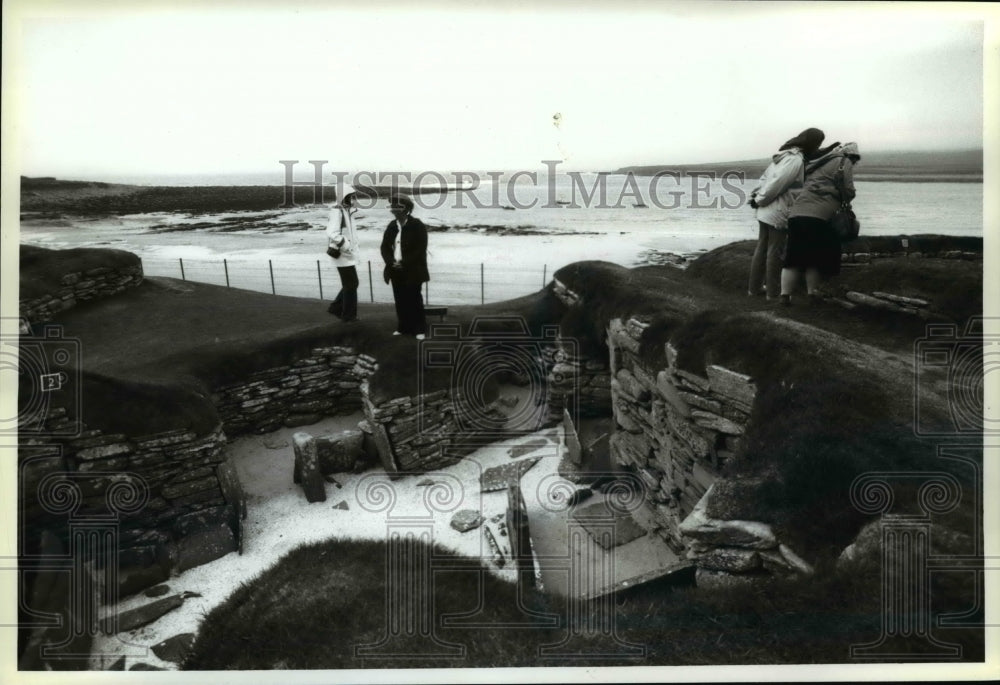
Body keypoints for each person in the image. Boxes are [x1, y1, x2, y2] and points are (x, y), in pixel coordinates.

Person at [780, 141, 861, 304]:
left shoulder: (819, 162)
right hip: (820, 216)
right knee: (815, 258)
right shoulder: (844, 162)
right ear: (852, 155)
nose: (854, 163)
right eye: (855, 159)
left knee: (793, 257)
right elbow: (849, 189)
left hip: (797, 214)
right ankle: (813, 294)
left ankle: (785, 296)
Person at [747, 128, 825, 300]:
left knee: (762, 248)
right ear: (812, 142)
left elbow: (765, 179)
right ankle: (773, 294)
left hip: (766, 210)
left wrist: (756, 197)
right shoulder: (795, 160)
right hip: (778, 209)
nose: (819, 147)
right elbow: (777, 184)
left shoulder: (783, 156)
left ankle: (754, 290)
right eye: (819, 143)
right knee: (775, 251)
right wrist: (759, 199)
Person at [380, 194, 429, 339]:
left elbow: (421, 249)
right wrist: (390, 262)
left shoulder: (417, 225)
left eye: (397, 206)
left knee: (414, 299)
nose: (394, 208)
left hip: (413, 270)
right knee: (400, 299)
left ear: (406, 208)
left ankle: (419, 329)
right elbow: (384, 247)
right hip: (395, 269)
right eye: (392, 205)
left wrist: (404, 263)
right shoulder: (391, 226)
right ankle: (403, 327)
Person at [325, 184, 361, 322]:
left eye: (353, 196)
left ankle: (337, 308)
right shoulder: (337, 211)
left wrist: (350, 247)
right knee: (351, 283)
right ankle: (348, 316)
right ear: (343, 196)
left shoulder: (346, 210)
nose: (353, 199)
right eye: (351, 196)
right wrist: (346, 246)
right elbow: (332, 232)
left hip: (346, 254)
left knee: (351, 283)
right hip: (342, 254)